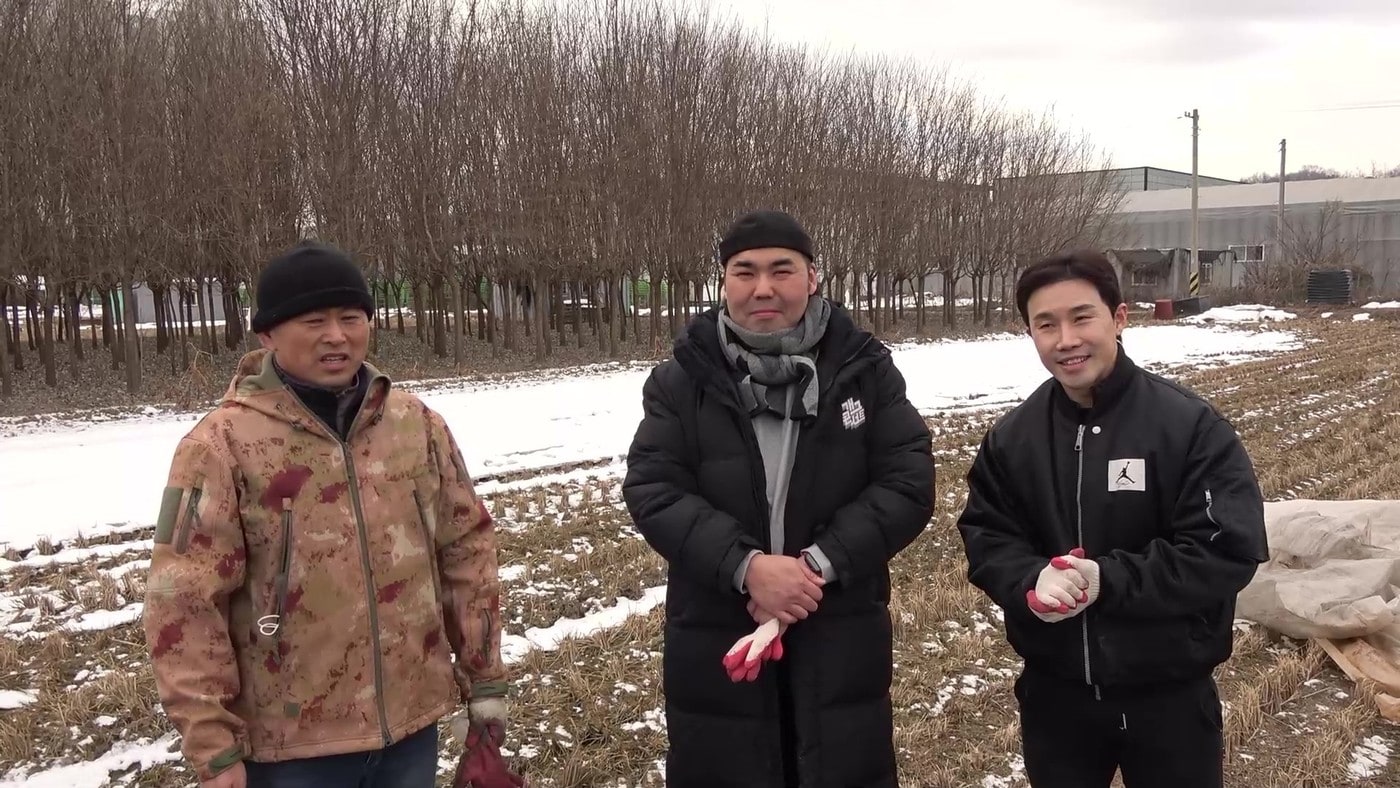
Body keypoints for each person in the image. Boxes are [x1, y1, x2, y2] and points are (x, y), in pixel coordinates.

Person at [142, 241, 519, 788]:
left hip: (411, 727)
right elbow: (183, 603)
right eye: (314, 320)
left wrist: (485, 678)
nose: (337, 335)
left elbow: (467, 549)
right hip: (290, 748)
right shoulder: (220, 447)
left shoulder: (415, 425)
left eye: (351, 317)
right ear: (267, 334)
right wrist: (213, 746)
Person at [622, 210, 936, 788]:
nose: (762, 287)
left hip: (838, 634)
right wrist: (747, 568)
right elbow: (653, 487)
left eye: (781, 270)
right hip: (718, 629)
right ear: (723, 282)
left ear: (812, 277)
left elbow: (908, 481)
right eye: (744, 272)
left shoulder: (865, 370)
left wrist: (812, 569)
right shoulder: (681, 380)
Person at [954, 249, 1269, 788]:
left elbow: (1225, 549)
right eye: (1045, 324)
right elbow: (987, 536)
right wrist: (1032, 580)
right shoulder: (1013, 438)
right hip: (1055, 697)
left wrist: (1106, 580)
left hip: (1169, 697)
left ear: (1119, 319)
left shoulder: (1188, 426)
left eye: (1082, 317)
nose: (1066, 340)